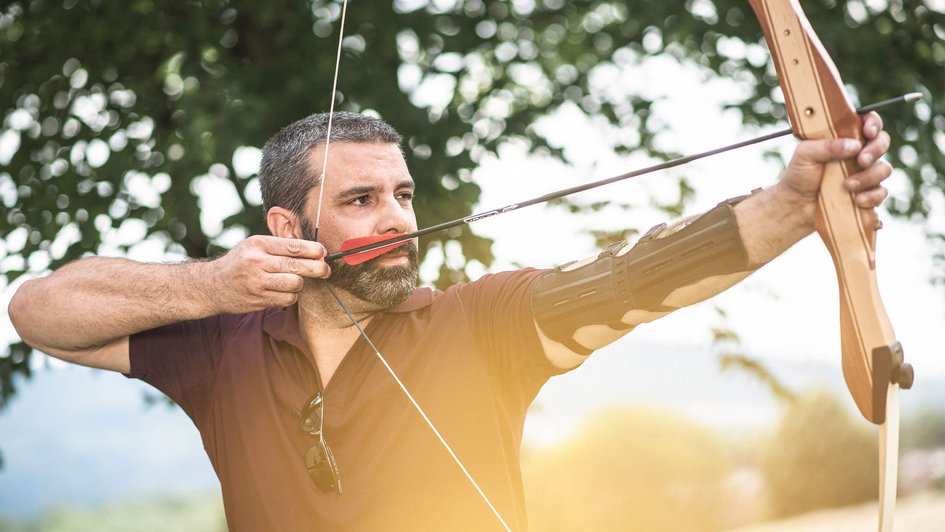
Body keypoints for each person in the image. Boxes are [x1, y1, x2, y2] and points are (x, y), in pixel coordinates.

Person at [8, 110, 892, 531]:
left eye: (402, 193)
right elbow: (38, 310)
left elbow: (635, 278)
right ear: (288, 230)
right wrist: (211, 286)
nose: (395, 216)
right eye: (360, 199)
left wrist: (791, 205)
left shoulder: (482, 324)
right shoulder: (219, 344)